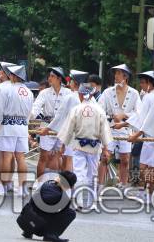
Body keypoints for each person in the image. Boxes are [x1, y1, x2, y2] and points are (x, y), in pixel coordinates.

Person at [57, 83, 112, 211]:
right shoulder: (99, 110)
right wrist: (106, 149)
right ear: (92, 94)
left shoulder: (76, 109)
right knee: (92, 173)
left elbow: (68, 130)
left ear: (81, 94)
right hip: (95, 146)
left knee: (79, 173)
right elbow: (105, 131)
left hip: (79, 145)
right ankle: (91, 201)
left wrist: (63, 145)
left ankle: (80, 201)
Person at [0, 62, 34, 195]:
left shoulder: (6, 89)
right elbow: (29, 113)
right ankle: (21, 188)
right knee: (20, 157)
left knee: (7, 157)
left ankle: (2, 186)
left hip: (8, 126)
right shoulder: (29, 92)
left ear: (14, 76)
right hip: (22, 127)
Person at [100, 63, 139, 188]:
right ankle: (100, 184)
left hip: (126, 129)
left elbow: (139, 112)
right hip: (110, 129)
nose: (115, 76)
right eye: (115, 73)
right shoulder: (107, 92)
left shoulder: (134, 93)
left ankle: (123, 184)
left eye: (118, 73)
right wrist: (111, 117)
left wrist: (124, 115)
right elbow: (100, 110)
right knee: (105, 157)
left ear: (125, 76)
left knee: (125, 159)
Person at [33, 67, 75, 177]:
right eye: (49, 76)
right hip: (47, 126)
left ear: (59, 78)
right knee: (44, 156)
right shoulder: (44, 93)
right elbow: (35, 108)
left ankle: (62, 184)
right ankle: (40, 183)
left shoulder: (69, 93)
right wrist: (31, 118)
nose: (49, 78)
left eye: (52, 76)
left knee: (64, 156)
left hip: (63, 128)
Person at [16, 170, 77, 242]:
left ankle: (28, 231)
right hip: (38, 227)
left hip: (23, 221)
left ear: (58, 178)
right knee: (71, 213)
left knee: (38, 209)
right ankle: (51, 235)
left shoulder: (46, 185)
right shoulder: (64, 199)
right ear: (71, 186)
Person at [126, 69, 154, 194]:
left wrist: (135, 134)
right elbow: (142, 117)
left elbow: (142, 117)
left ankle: (146, 192)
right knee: (149, 167)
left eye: (142, 83)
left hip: (151, 136)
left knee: (145, 166)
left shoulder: (150, 97)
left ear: (149, 83)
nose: (141, 85)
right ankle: (146, 192)